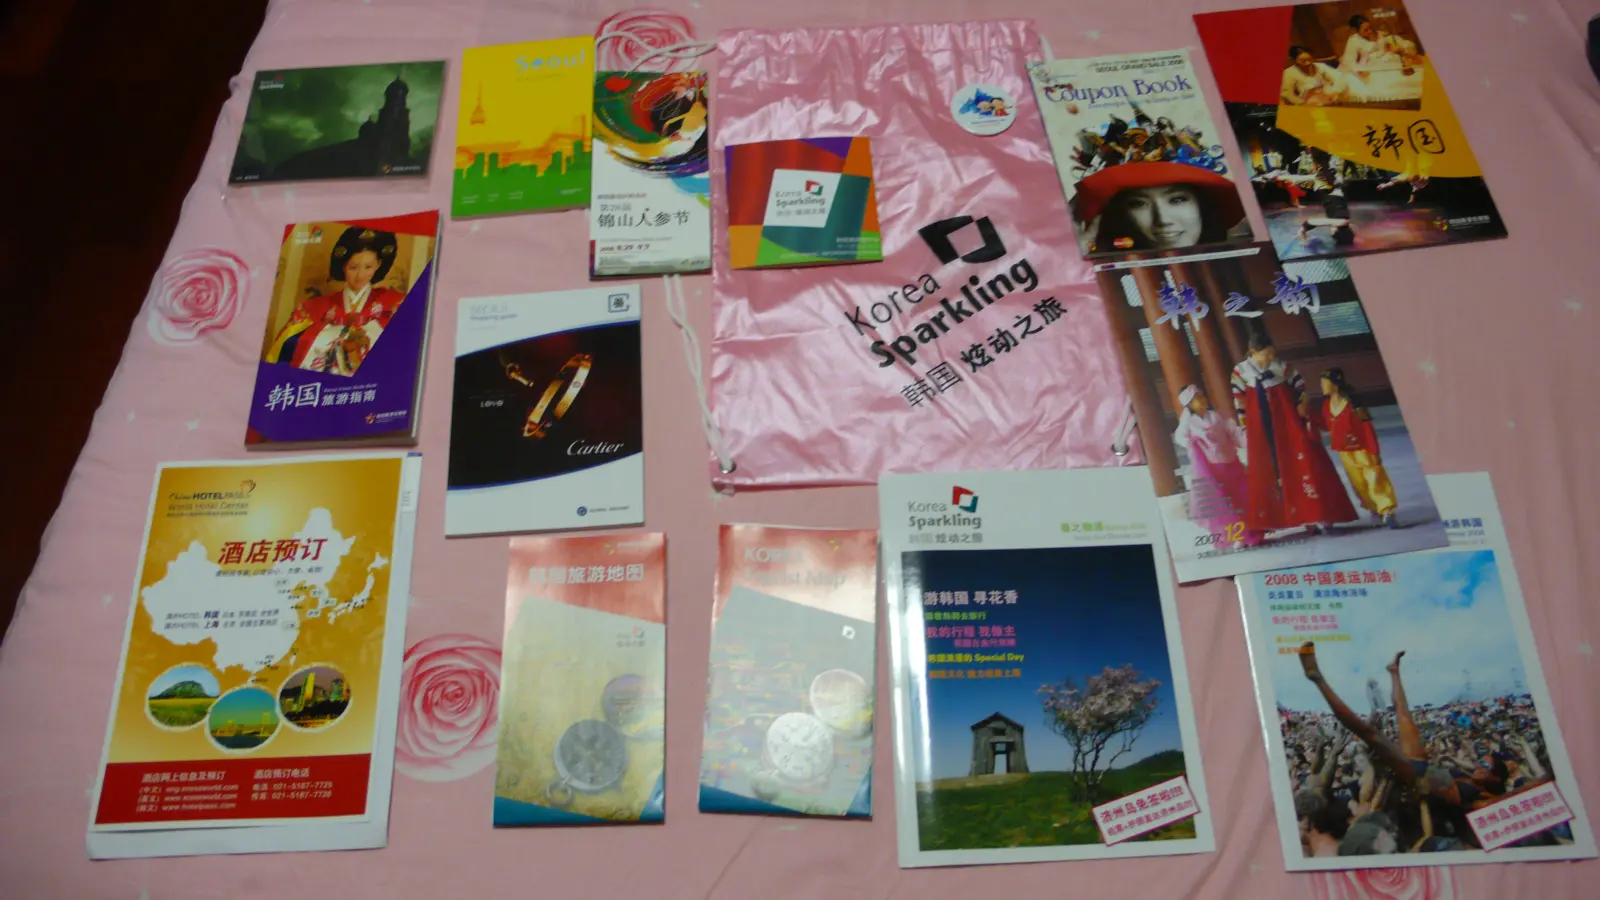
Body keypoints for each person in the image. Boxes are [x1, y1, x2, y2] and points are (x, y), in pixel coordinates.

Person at [1230, 331, 1358, 533]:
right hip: (1259, 426)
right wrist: (1246, 428)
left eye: (1272, 353)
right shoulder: (1240, 371)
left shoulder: (1282, 366)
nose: (1270, 357)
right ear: (1253, 352)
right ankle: (1296, 519)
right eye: (1266, 354)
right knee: (1271, 470)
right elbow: (1239, 402)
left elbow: (1301, 389)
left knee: (1304, 462)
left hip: (1288, 421)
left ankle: (1320, 515)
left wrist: (1301, 404)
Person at [266, 226, 403, 375]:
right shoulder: (313, 308)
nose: (360, 275)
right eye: (353, 267)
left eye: (368, 267)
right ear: (343, 266)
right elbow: (287, 347)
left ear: (378, 265)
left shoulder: (394, 303)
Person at [1309, 368, 1400, 528]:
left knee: (1374, 478)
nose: (1322, 386)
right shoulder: (1326, 406)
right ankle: (1373, 509)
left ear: (1335, 384)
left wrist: (1374, 450)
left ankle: (1387, 510)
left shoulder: (1355, 404)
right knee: (1358, 483)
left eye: (1325, 383)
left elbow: (1367, 427)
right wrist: (1309, 417)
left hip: (1362, 449)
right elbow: (1328, 425)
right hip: (1345, 452)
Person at [1172, 384, 1261, 548]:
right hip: (1213, 468)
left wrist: (1247, 439)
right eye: (1196, 399)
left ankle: (1250, 531)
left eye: (1202, 396)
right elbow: (1181, 437)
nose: (1202, 400)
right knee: (1224, 505)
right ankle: (1236, 537)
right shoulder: (1188, 422)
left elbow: (1232, 434)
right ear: (1189, 405)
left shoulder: (1216, 416)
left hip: (1231, 464)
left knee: (1241, 499)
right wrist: (1194, 442)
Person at [1281, 45, 1349, 106]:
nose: (1308, 63)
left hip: (1329, 97)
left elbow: (1339, 78)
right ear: (1293, 60)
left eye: (1310, 59)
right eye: (1303, 61)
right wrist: (1302, 103)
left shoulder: (1320, 67)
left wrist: (1336, 91)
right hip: (1308, 103)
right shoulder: (1289, 73)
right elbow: (1287, 93)